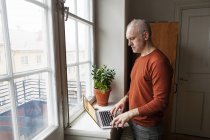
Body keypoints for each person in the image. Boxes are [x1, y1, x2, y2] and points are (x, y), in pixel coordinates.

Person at [110, 19, 173, 140]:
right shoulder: (139, 59)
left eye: (132, 38)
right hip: (134, 122)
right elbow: (136, 87)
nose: (129, 44)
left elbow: (161, 102)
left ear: (145, 35)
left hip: (148, 129)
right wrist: (124, 99)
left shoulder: (159, 62)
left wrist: (130, 113)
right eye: (128, 39)